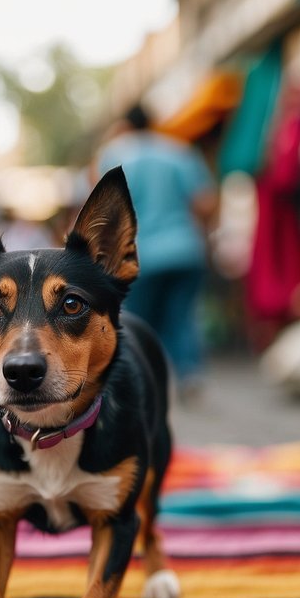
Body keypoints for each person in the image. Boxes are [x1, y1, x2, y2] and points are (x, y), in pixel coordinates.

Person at [97, 104, 217, 400]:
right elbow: (205, 203)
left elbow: (101, 209)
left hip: (139, 255)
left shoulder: (114, 154)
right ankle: (190, 376)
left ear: (126, 124)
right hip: (185, 250)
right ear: (154, 122)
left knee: (136, 321)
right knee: (182, 317)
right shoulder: (179, 151)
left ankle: (137, 380)